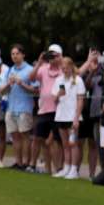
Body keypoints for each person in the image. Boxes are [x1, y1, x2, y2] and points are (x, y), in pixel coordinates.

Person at [28, 45, 65, 175]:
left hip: (58, 110)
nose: (52, 58)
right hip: (43, 109)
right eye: (50, 55)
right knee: (38, 138)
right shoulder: (43, 69)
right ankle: (33, 165)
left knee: (55, 141)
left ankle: (58, 169)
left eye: (55, 55)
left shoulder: (63, 70)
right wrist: (39, 62)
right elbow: (31, 78)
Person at [53, 56, 86, 179]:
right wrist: (58, 94)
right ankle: (66, 167)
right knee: (65, 144)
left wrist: (76, 118)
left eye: (66, 68)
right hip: (61, 116)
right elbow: (54, 100)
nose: (64, 70)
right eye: (62, 68)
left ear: (71, 67)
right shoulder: (58, 80)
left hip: (72, 117)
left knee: (74, 144)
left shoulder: (78, 80)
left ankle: (74, 170)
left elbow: (80, 100)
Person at [5, 45, 37, 171]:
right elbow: (4, 90)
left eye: (17, 53)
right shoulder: (10, 70)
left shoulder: (30, 70)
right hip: (11, 107)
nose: (14, 56)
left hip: (24, 108)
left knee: (25, 136)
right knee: (15, 137)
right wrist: (9, 84)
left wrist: (21, 83)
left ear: (23, 55)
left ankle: (26, 163)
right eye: (12, 54)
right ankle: (18, 162)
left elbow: (35, 90)